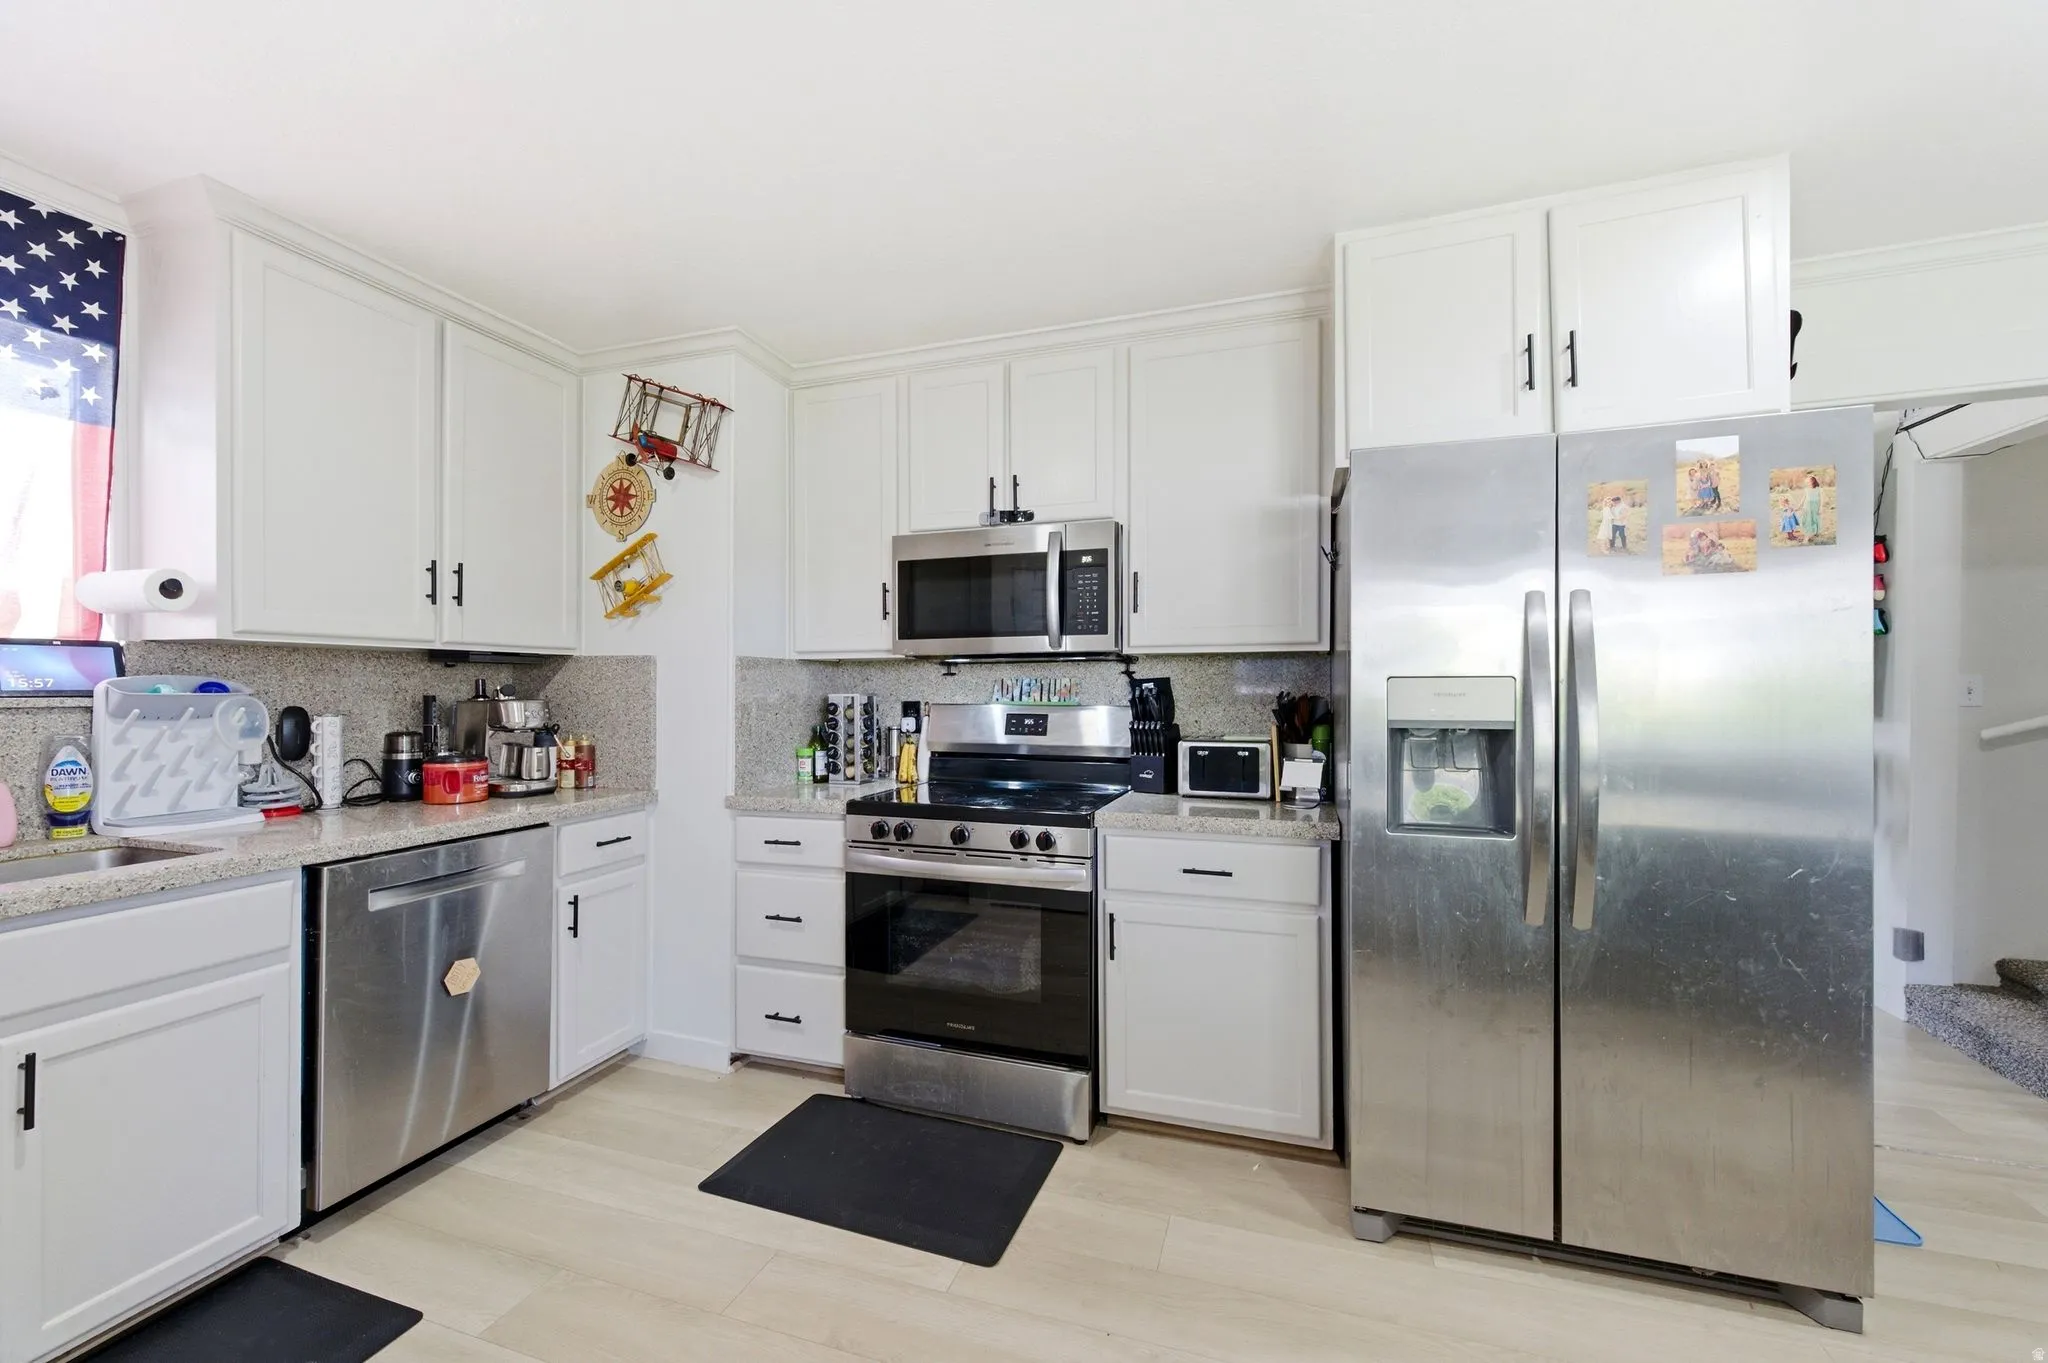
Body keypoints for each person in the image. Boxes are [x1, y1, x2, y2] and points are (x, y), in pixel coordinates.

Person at [1802, 472, 1824, 542]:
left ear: (1812, 481)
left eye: (1808, 481)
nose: (1807, 482)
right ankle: (1808, 534)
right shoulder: (1806, 489)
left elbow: (1821, 499)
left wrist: (1820, 508)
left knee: (1815, 518)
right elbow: (1803, 498)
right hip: (1808, 505)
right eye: (1807, 481)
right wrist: (1799, 506)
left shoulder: (1818, 489)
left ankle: (1816, 532)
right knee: (1808, 519)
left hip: (1815, 505)